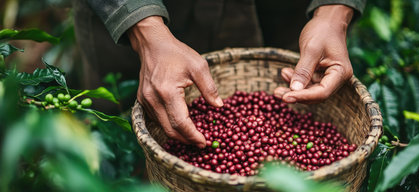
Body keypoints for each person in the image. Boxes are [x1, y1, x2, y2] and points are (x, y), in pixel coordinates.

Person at [72, 0, 366, 148]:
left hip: (283, 21)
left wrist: (334, 12)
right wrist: (143, 28)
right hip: (148, 31)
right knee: (124, 154)